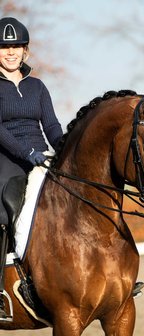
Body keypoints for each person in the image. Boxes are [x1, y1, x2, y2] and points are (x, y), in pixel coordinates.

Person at [0, 17, 63, 320]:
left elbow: (50, 124)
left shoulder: (37, 86)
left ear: (25, 51)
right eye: (4, 47)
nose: (10, 52)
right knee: (5, 210)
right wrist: (27, 152)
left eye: (16, 47)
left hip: (41, 155)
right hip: (7, 159)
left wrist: (64, 149)